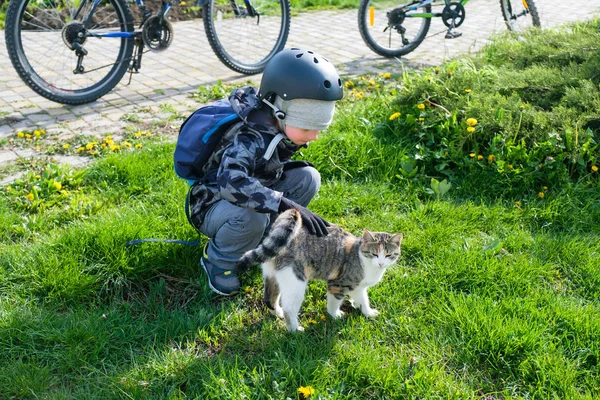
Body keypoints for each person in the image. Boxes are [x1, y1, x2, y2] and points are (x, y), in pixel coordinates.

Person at [186, 47, 344, 296]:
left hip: (252, 192)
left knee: (307, 178)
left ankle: (265, 240)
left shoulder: (276, 124)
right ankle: (218, 262)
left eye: (319, 128)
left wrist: (282, 202)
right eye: (307, 127)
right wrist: (282, 202)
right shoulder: (249, 136)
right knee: (253, 216)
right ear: (280, 110)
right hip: (212, 203)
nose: (313, 136)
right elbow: (230, 182)